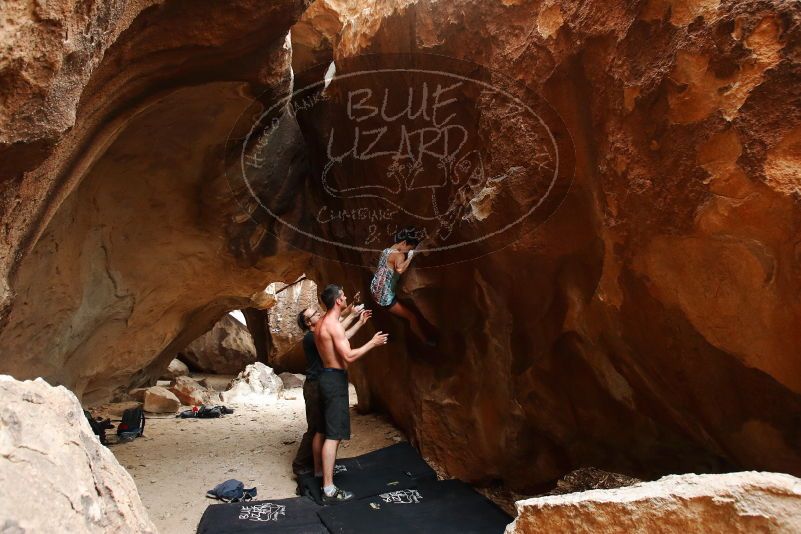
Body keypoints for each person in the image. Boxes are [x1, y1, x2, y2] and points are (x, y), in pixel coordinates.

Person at [315, 284, 388, 503]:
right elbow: (348, 356)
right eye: (343, 295)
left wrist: (359, 321)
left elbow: (341, 337)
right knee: (334, 435)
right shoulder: (331, 324)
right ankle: (328, 488)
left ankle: (323, 475)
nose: (346, 297)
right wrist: (372, 343)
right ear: (338, 301)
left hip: (325, 377)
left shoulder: (323, 322)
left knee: (326, 430)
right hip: (334, 380)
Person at [291, 295, 370, 477]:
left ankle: (317, 466)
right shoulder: (312, 337)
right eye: (315, 315)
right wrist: (352, 315)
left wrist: (355, 317)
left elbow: (339, 330)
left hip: (321, 383)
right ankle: (301, 466)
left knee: (322, 429)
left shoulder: (319, 332)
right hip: (314, 386)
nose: (319, 315)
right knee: (316, 429)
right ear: (308, 323)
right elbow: (338, 328)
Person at [370, 226, 435, 345]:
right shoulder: (399, 255)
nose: (409, 250)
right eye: (410, 248)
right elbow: (399, 270)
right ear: (404, 243)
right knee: (412, 317)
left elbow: (388, 269)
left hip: (374, 287)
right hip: (384, 298)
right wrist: (410, 256)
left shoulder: (387, 250)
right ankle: (425, 341)